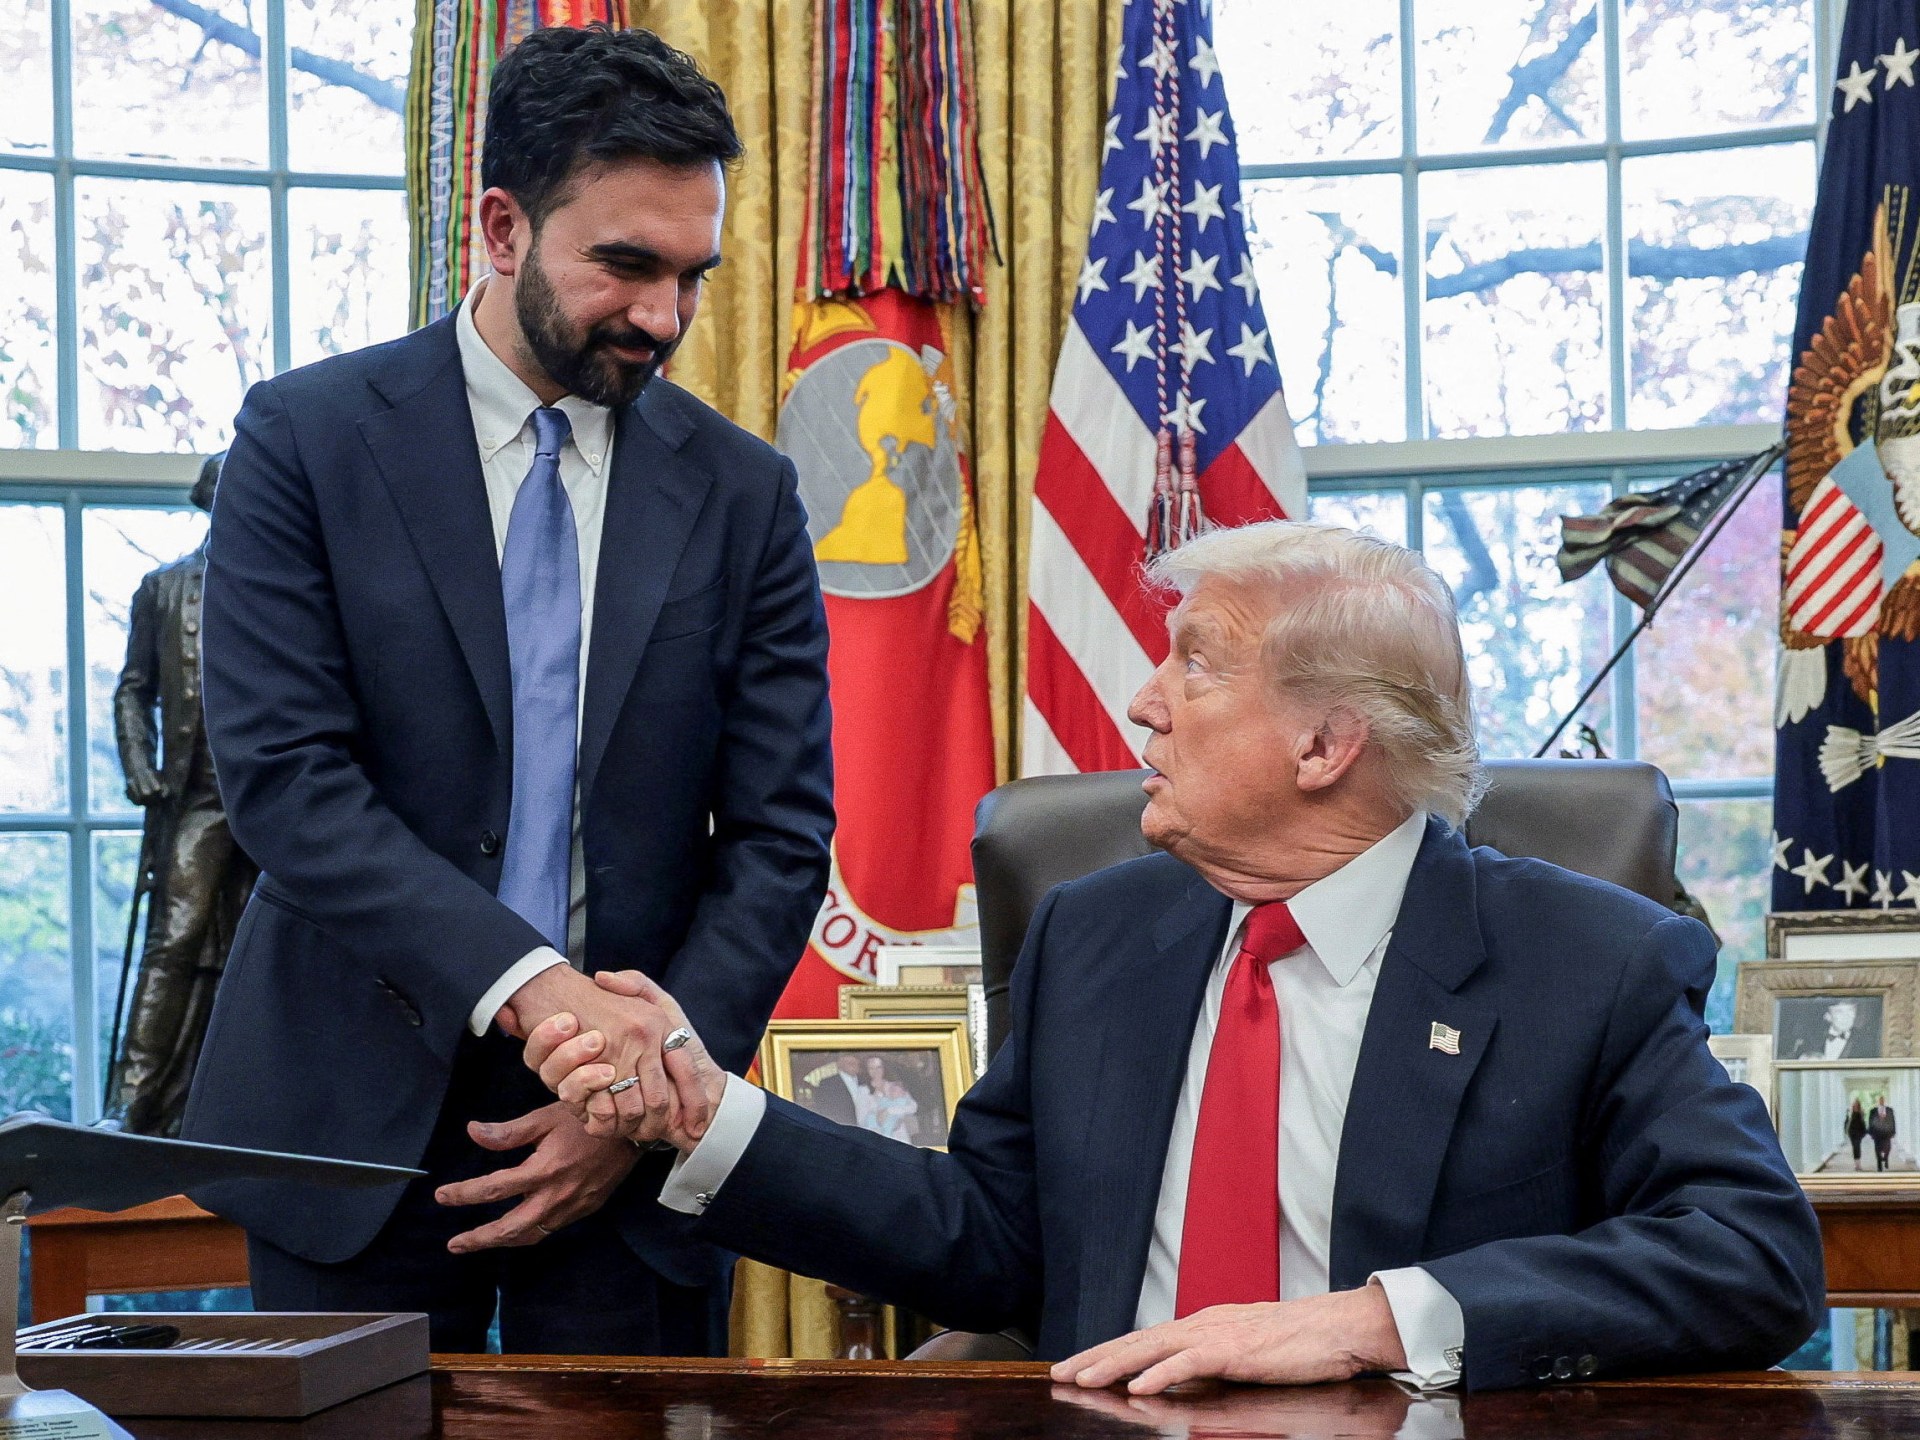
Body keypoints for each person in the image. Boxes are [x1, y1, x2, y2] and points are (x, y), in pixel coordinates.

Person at [527, 520, 1824, 1392]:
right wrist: (709, 1117)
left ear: (1324, 746)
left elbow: (1754, 1256)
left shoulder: (1584, 959)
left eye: (1194, 667)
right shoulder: (1095, 934)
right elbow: (991, 1243)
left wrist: (1373, 1321)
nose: (1143, 701)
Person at [178, 24, 833, 1357]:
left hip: (634, 1148)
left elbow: (779, 835)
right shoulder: (303, 441)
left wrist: (635, 1085)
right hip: (344, 1125)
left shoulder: (747, 493)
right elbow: (288, 784)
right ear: (499, 227)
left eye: (692, 276)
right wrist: (539, 989)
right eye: (626, 266)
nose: (664, 318)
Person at [102, 454, 259, 1136]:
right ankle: (131, 1104)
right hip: (196, 796)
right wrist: (140, 764)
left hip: (278, 800)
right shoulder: (162, 588)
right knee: (174, 941)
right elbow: (133, 689)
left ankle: (249, 1106)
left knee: (267, 949)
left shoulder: (286, 591)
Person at [807, 1055, 868, 1127]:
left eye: (855, 1060)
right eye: (849, 1061)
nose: (853, 1063)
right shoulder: (827, 1084)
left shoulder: (866, 1081)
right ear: (839, 1063)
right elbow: (822, 1110)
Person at [1870, 1095, 1897, 1172]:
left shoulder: (1889, 1110)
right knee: (1877, 1150)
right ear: (1877, 1101)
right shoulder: (1873, 1111)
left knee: (1888, 1148)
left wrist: (1893, 1131)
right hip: (1877, 1133)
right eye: (1879, 1100)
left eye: (1882, 1100)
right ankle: (1879, 1167)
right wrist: (1871, 1133)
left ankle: (1885, 1158)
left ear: (1884, 1101)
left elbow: (1893, 1121)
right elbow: (1870, 1122)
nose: (1881, 1101)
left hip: (1887, 1133)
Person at [1848, 1098, 1869, 1170]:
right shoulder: (1851, 1112)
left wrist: (1863, 1132)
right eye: (1855, 1103)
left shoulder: (1861, 1112)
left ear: (1858, 1104)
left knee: (1857, 1147)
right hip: (1852, 1133)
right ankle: (1856, 1164)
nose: (1856, 1105)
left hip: (1859, 1133)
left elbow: (1863, 1122)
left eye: (1857, 1103)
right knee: (1854, 1148)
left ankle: (1858, 1164)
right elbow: (1848, 1123)